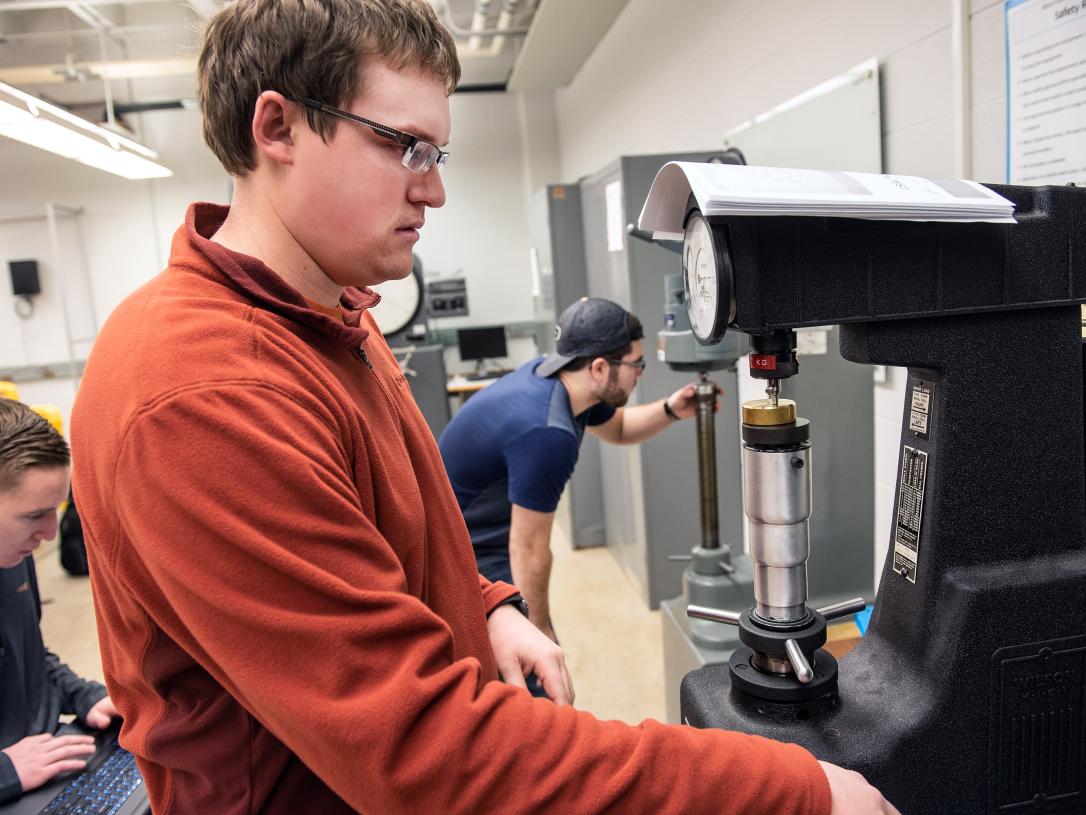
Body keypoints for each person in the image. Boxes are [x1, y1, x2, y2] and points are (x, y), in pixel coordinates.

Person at [69, 1, 898, 813]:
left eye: (440, 153)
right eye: (406, 147)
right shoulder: (203, 393)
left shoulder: (331, 316)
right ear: (278, 128)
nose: (432, 191)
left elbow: (383, 539)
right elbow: (425, 756)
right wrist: (793, 790)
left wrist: (486, 607)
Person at [439, 296, 700, 646]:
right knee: (538, 675)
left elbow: (619, 429)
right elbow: (528, 548)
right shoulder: (547, 432)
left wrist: (671, 409)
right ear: (599, 369)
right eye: (636, 364)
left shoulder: (556, 379)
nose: (639, 373)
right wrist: (541, 631)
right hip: (466, 556)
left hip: (479, 539)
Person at [0, 398, 119, 805]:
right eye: (35, 515)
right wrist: (6, 773)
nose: (51, 533)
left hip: (50, 761)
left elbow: (27, 659)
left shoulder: (11, 555)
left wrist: (85, 697)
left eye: (57, 511)